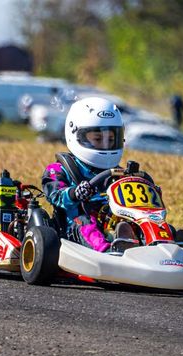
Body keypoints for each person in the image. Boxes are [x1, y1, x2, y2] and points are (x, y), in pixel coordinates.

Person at [41, 96, 141, 252]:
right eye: (98, 139)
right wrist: (75, 193)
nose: (105, 144)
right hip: (73, 225)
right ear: (76, 134)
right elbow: (55, 195)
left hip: (111, 220)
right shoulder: (60, 169)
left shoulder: (118, 173)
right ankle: (107, 252)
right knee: (86, 222)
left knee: (137, 219)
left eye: (111, 139)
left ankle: (163, 242)